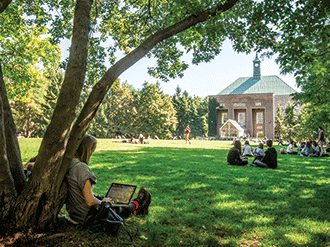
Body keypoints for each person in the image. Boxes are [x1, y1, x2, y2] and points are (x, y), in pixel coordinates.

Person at [66, 134, 151, 225]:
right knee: (115, 206)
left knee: (109, 201)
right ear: (88, 150)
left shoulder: (70, 164)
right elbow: (90, 201)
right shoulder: (81, 168)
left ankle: (134, 205)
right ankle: (136, 204)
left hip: (75, 214)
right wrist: (102, 202)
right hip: (87, 215)